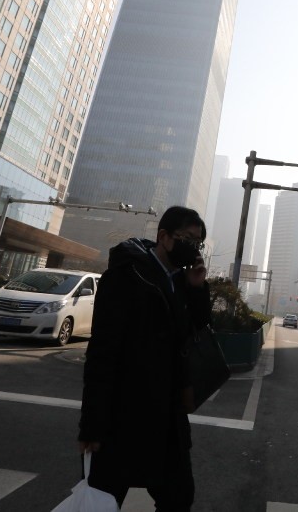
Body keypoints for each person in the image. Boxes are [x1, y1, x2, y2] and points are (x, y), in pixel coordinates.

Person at [78, 206, 211, 511]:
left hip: (167, 415)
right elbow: (102, 352)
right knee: (104, 499)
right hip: (122, 415)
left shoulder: (181, 280)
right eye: (187, 238)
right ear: (164, 237)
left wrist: (197, 288)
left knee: (178, 497)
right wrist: (92, 425)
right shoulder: (125, 276)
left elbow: (197, 330)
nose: (193, 247)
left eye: (198, 242)